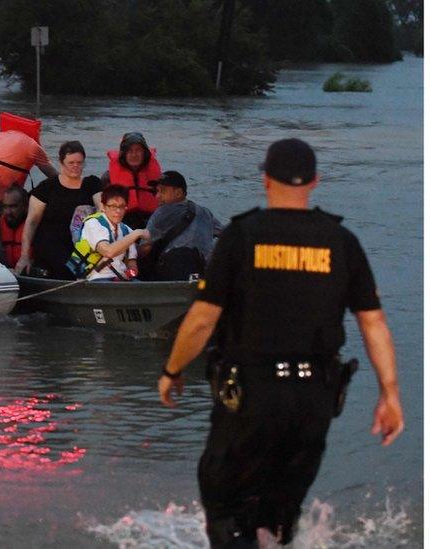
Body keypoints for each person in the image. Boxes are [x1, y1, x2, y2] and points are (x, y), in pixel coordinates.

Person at [157, 139, 404, 548]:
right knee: (280, 511)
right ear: (315, 182)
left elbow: (203, 318)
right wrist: (389, 393)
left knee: (223, 505)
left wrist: (173, 369)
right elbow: (373, 322)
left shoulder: (242, 237)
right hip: (314, 397)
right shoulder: (341, 242)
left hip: (251, 394)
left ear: (265, 179)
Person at [15, 141, 103, 280]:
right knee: (65, 268)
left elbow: (101, 206)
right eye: (71, 162)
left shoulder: (92, 184)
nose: (76, 166)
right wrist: (24, 255)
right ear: (62, 163)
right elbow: (31, 222)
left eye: (79, 163)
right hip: (51, 243)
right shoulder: (46, 188)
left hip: (82, 244)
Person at [138, 170, 224, 281]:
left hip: (175, 270)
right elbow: (226, 234)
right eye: (157, 191)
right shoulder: (205, 212)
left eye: (162, 191)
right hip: (204, 270)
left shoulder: (163, 212)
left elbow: (144, 248)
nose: (157, 196)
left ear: (178, 193)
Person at [67, 185, 149, 281]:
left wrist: (130, 272)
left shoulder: (126, 230)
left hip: (120, 279)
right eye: (113, 206)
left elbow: (132, 264)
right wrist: (137, 233)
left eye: (122, 206)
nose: (118, 211)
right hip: (96, 280)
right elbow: (108, 251)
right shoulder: (93, 223)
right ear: (103, 206)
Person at [102, 132, 162, 229]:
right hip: (122, 222)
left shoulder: (159, 179)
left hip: (151, 222)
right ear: (123, 154)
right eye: (129, 151)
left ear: (144, 153)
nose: (134, 155)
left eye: (138, 150)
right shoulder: (108, 177)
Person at [0, 185, 29, 269]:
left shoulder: (37, 226)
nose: (8, 212)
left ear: (25, 206)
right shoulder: (1, 225)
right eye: (5, 207)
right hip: (8, 272)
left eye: (13, 207)